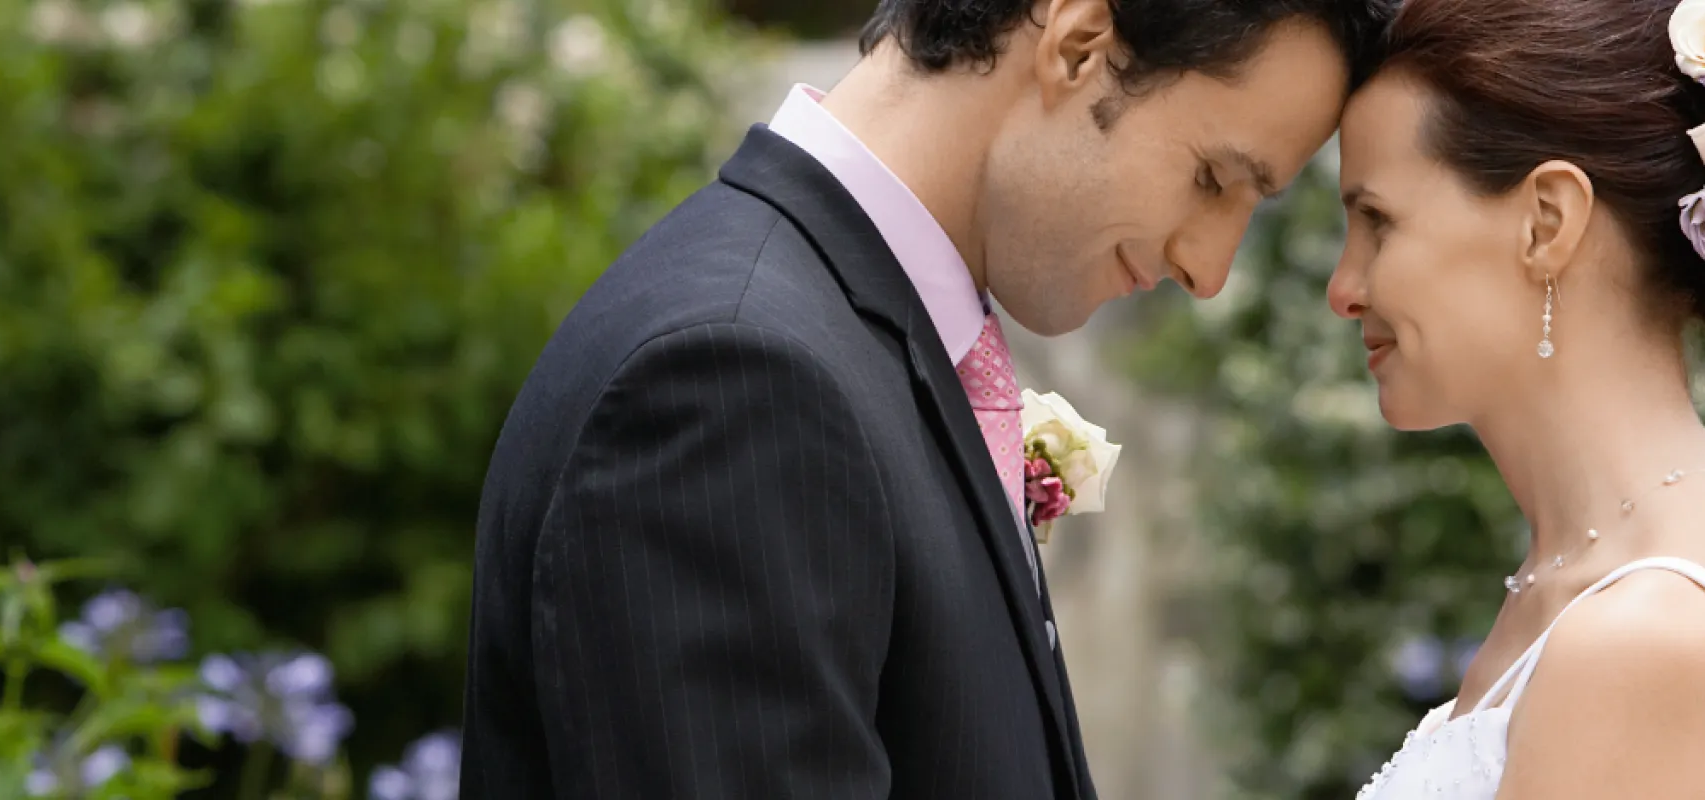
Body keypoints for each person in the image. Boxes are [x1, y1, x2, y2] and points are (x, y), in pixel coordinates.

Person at [462, 0, 1389, 796]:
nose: (1209, 268)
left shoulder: (843, 343)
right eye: (1213, 179)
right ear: (1076, 45)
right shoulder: (737, 381)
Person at [1327, 0, 1705, 795]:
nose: (1344, 289)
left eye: (1378, 221)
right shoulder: (1600, 580)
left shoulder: (1653, 636)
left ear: (1547, 221)